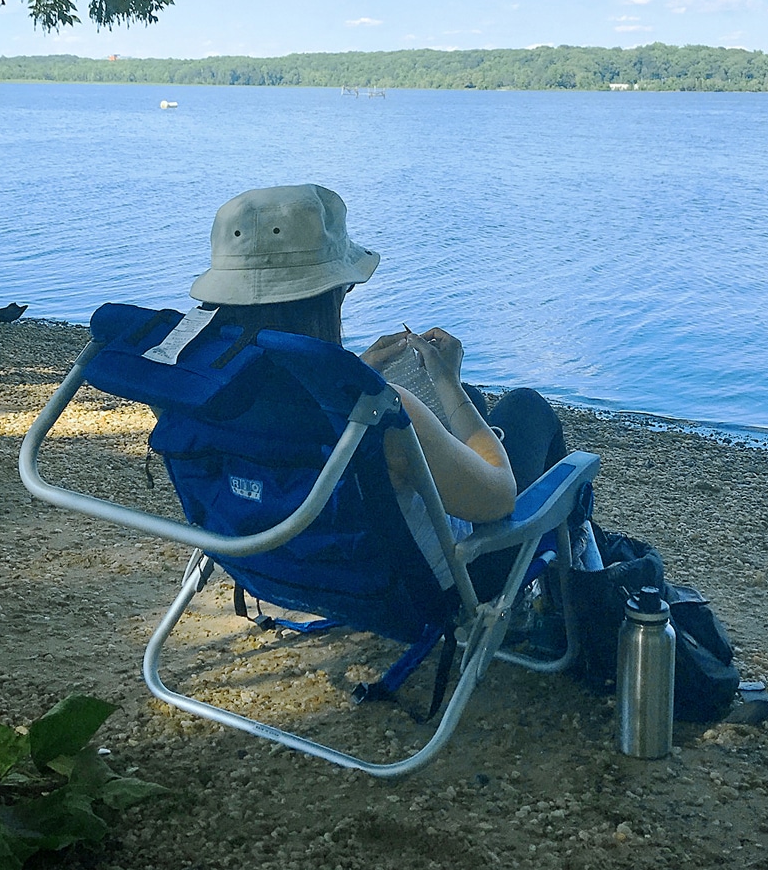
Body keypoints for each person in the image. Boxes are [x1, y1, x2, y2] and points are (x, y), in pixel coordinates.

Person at [189, 185, 569, 588]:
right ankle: (577, 584)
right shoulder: (374, 409)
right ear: (327, 294)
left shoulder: (202, 391)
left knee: (469, 406)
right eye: (344, 288)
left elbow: (292, 415)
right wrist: (447, 382)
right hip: (423, 582)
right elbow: (498, 499)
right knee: (525, 408)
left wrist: (352, 368)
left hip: (280, 558)